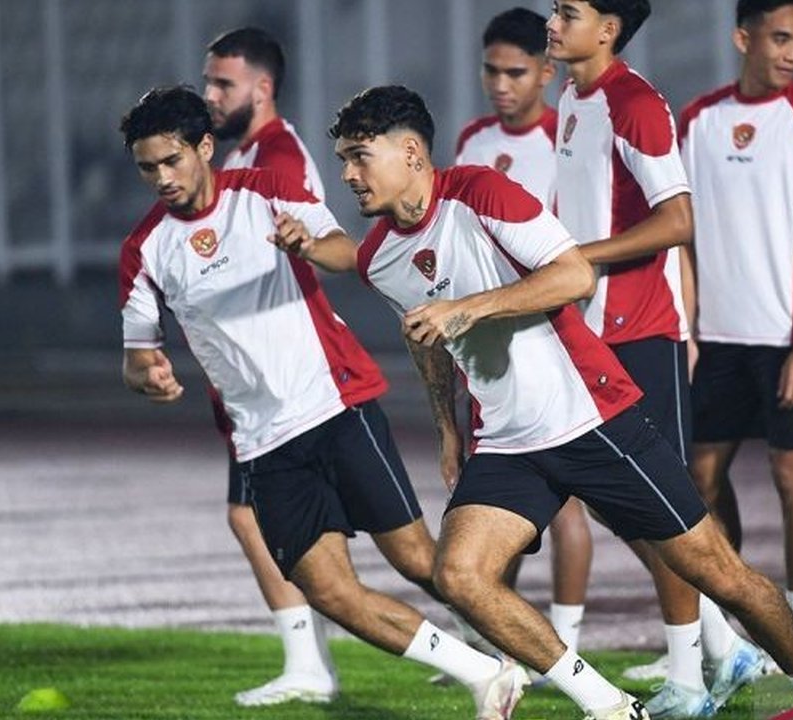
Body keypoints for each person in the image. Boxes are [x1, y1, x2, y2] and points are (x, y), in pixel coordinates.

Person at [308, 82, 793, 720]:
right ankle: (612, 706)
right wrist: (448, 431)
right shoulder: (376, 256)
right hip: (509, 442)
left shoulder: (482, 191)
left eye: (358, 156)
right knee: (459, 576)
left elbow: (573, 274)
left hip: (591, 416)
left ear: (411, 153)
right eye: (343, 158)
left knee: (718, 572)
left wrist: (468, 308)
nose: (346, 174)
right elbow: (429, 337)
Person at [117, 85, 527, 720]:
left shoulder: (264, 189)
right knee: (330, 591)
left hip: (337, 406)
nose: (162, 178)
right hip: (263, 442)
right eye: (148, 168)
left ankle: (539, 656)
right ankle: (485, 674)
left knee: (420, 559)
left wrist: (305, 245)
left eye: (171, 161)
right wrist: (150, 374)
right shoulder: (144, 249)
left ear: (204, 148)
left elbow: (348, 253)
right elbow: (137, 353)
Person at [547, 3, 768, 715]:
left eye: (567, 10)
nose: (552, 21)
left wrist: (582, 256)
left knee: (667, 508)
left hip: (639, 331)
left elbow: (677, 219)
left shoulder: (634, 103)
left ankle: (689, 683)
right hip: (590, 332)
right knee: (627, 507)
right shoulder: (573, 100)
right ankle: (724, 647)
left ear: (608, 27)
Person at [678, 0, 793, 681]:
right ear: (742, 37)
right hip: (716, 340)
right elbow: (682, 233)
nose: (792, 53)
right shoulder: (698, 119)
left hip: (792, 339)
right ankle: (730, 629)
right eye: (780, 39)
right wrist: (689, 327)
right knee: (699, 479)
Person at [198, 26, 335, 706]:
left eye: (222, 83)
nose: (210, 96)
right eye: (208, 82)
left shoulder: (274, 155)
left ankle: (309, 665)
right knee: (269, 518)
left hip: (286, 373)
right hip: (271, 370)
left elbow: (309, 247)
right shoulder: (253, 153)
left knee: (254, 517)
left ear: (263, 87)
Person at [454, 7, 594, 661]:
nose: (500, 83)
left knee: (564, 500)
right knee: (494, 485)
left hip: (557, 335)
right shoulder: (473, 142)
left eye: (515, 71)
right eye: (491, 70)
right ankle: (497, 641)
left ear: (545, 71)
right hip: (486, 338)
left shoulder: (566, 136)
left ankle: (562, 639)